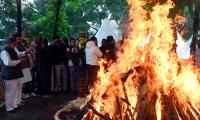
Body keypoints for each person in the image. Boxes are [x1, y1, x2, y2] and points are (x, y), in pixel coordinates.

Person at [0, 37, 24, 112]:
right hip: (9, 74)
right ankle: (9, 107)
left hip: (14, 74)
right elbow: (8, 63)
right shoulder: (4, 51)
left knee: (15, 91)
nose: (16, 44)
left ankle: (14, 105)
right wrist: (19, 61)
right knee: (10, 92)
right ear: (12, 42)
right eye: (16, 42)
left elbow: (15, 57)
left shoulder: (12, 50)